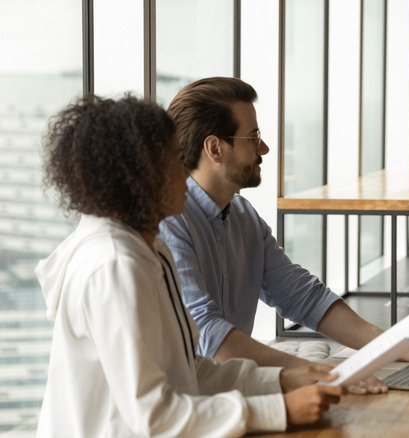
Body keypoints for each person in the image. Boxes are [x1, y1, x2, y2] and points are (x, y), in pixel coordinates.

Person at [36, 95, 345, 436]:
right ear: (137, 177)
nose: (186, 170)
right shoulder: (114, 265)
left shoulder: (149, 249)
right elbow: (154, 415)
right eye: (173, 160)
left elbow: (187, 372)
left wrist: (282, 379)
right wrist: (277, 409)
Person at [158, 77, 409, 378]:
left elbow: (304, 296)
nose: (263, 148)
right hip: (191, 395)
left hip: (238, 386)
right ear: (214, 148)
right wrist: (317, 373)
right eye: (252, 138)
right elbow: (207, 337)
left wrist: (394, 344)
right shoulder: (169, 223)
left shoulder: (243, 215)